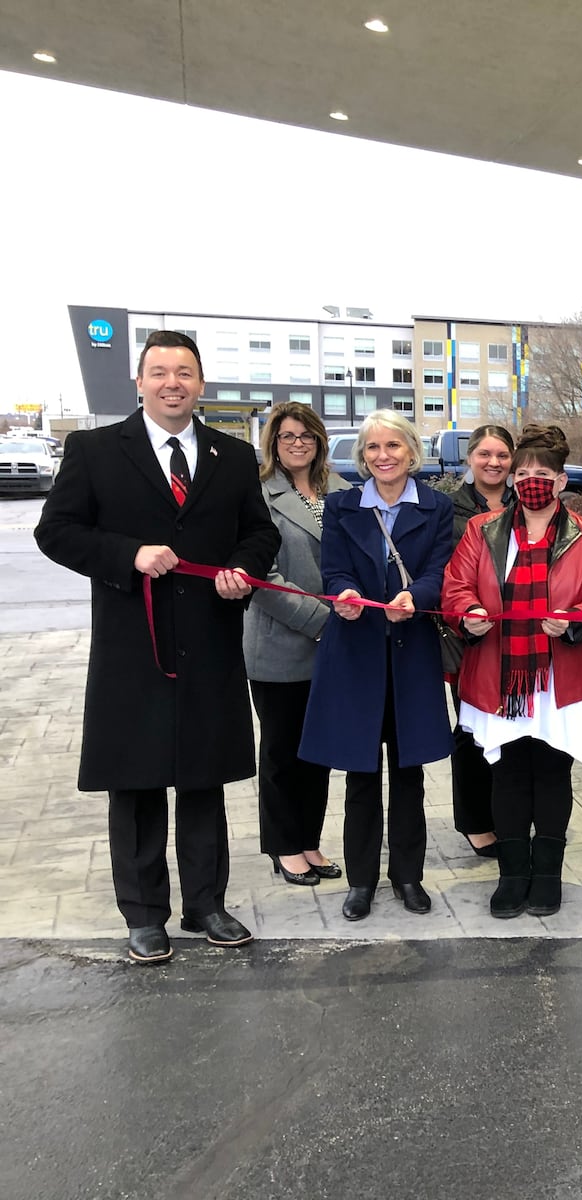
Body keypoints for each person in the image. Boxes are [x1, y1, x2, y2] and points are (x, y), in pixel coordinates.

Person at [35, 330, 279, 965]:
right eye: (160, 372)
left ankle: (206, 903)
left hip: (210, 640)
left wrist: (240, 570)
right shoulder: (93, 450)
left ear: (201, 384)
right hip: (132, 647)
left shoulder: (231, 455)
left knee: (203, 781)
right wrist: (127, 554)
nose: (173, 382)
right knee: (137, 783)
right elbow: (55, 530)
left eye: (185, 372)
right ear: (139, 382)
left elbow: (259, 533)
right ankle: (144, 913)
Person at [444, 423, 582, 918]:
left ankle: (546, 875)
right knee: (506, 775)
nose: (530, 481)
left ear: (562, 480)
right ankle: (512, 874)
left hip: (558, 675)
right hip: (498, 670)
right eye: (522, 473)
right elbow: (457, 586)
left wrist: (574, 622)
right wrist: (469, 615)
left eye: (542, 473)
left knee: (551, 772)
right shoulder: (484, 530)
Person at [299, 409, 455, 922]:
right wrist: (342, 593)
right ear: (362, 456)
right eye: (372, 448)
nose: (382, 456)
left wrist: (416, 595)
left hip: (411, 657)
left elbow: (441, 571)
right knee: (360, 775)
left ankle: (408, 876)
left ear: (412, 451)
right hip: (356, 654)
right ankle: (361, 880)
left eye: (393, 446)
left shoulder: (436, 507)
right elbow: (335, 568)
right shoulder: (343, 506)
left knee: (408, 775)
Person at [244, 401, 350, 888]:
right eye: (287, 436)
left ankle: (309, 840)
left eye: (306, 435)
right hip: (282, 643)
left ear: (319, 440)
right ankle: (284, 846)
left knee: (319, 753)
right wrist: (320, 621)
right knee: (284, 754)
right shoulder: (257, 496)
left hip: (338, 644)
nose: (297, 443)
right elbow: (260, 577)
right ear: (273, 442)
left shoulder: (343, 491)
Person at [447, 423, 515, 859]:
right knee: (473, 730)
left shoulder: (526, 502)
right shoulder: (449, 508)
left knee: (514, 733)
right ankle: (475, 821)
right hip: (469, 639)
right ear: (470, 458)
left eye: (502, 456)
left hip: (521, 640)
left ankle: (506, 813)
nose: (494, 463)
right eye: (485, 454)